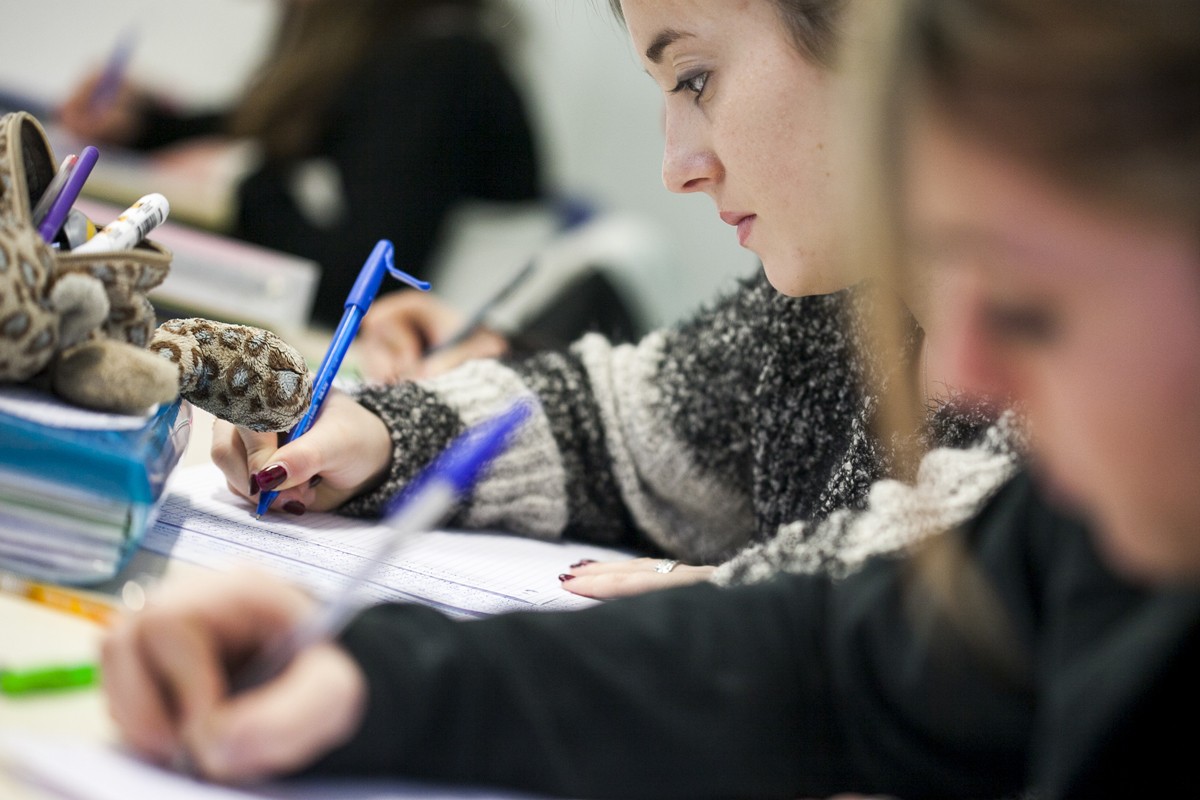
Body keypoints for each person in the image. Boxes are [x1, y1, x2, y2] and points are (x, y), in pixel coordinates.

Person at [101, 0, 1200, 796]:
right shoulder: (854, 326)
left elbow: (907, 574)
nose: (960, 372)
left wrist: (731, 589)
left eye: (1035, 305)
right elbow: (842, 658)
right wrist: (371, 671)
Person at [204, 0, 1018, 608]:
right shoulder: (839, 307)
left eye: (696, 79)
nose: (677, 166)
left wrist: (747, 627)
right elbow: (620, 425)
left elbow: (901, 624)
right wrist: (382, 434)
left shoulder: (1082, 416)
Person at [57, 0, 542, 327]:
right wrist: (141, 123)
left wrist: (244, 180)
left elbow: (358, 288)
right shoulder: (401, 44)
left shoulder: (435, 68)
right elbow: (270, 124)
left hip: (387, 343)